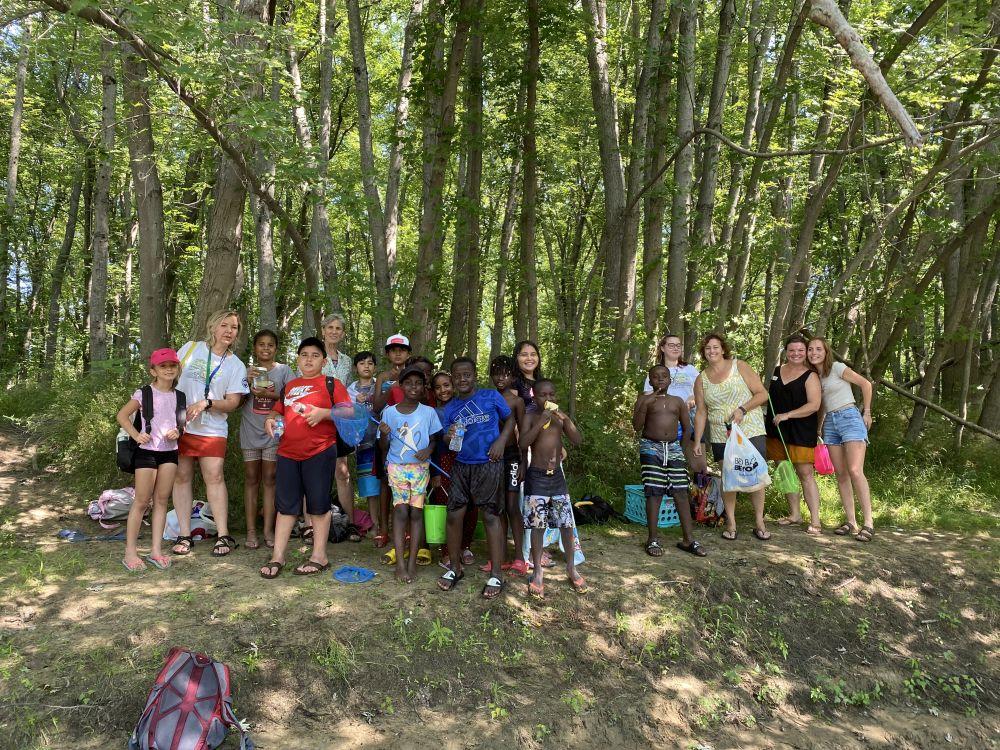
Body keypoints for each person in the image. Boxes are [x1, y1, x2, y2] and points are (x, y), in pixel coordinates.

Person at [259, 337, 350, 578]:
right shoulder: (290, 385)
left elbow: (349, 411)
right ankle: (278, 556)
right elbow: (277, 411)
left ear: (323, 361)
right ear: (298, 359)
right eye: (304, 354)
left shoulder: (332, 383)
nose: (309, 359)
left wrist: (324, 413)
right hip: (287, 452)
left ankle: (319, 556)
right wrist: (270, 420)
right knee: (286, 507)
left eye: (315, 355)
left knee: (319, 505)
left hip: (320, 451)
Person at [438, 357, 516, 599]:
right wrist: (449, 437)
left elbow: (510, 419)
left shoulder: (491, 397)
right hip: (462, 465)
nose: (463, 379)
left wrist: (502, 441)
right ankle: (455, 568)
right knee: (454, 515)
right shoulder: (449, 409)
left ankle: (496, 574)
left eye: (467, 374)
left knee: (491, 516)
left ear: (474, 375)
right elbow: (447, 441)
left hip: (489, 463)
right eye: (458, 375)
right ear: (452, 378)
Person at [172, 310, 249, 557]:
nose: (229, 331)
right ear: (212, 327)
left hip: (212, 428)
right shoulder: (190, 349)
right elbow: (167, 378)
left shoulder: (236, 364)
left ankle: (223, 534)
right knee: (181, 477)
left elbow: (233, 402)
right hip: (181, 425)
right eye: (224, 325)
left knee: (214, 477)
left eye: (234, 327)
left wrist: (206, 403)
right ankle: (184, 535)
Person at [693, 333, 770, 541]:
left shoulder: (740, 366)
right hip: (720, 433)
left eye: (715, 347)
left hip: (750, 429)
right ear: (704, 352)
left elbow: (762, 394)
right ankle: (731, 522)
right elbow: (701, 411)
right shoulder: (701, 379)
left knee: (755, 476)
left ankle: (759, 522)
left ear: (723, 349)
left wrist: (742, 410)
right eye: (708, 348)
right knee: (729, 478)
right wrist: (698, 439)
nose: (712, 351)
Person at [116, 348, 184, 571]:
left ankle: (156, 550)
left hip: (169, 452)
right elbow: (122, 415)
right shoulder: (144, 393)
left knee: (162, 501)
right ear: (153, 371)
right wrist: (136, 435)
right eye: (163, 366)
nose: (168, 369)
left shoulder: (180, 396)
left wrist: (178, 432)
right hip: (146, 451)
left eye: (172, 365)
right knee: (142, 501)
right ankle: (130, 552)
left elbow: (182, 424)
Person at [518, 379, 585, 598]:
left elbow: (577, 440)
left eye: (551, 395)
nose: (548, 399)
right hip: (536, 476)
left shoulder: (559, 418)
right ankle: (537, 570)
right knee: (537, 526)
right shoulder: (530, 416)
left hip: (557, 477)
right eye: (542, 395)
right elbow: (523, 443)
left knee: (566, 524)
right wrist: (540, 422)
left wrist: (566, 421)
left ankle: (571, 567)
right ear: (534, 396)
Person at [633, 365, 705, 558]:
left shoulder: (677, 401)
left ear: (670, 380)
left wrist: (680, 449)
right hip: (651, 447)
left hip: (673, 448)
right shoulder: (644, 399)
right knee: (654, 491)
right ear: (650, 381)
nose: (661, 379)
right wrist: (645, 403)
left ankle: (688, 539)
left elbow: (687, 427)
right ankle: (652, 538)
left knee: (681, 491)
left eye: (664, 376)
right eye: (656, 377)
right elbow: (636, 426)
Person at [807, 336, 875, 542]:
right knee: (842, 474)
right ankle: (851, 521)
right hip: (830, 424)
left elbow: (866, 384)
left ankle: (869, 523)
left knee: (855, 471)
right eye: (810, 349)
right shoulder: (813, 377)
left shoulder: (837, 367)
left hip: (850, 418)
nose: (814, 353)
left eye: (819, 349)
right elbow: (822, 405)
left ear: (826, 352)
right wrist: (819, 427)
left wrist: (867, 412)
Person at [379, 365, 442, 583]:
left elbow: (435, 439)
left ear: (424, 387)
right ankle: (400, 564)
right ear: (401, 386)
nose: (413, 387)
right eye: (408, 383)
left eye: (418, 383)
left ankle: (412, 562)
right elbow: (383, 447)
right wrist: (384, 435)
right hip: (396, 469)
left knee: (416, 513)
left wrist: (428, 451)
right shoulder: (389, 412)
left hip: (420, 470)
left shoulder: (429, 412)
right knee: (400, 513)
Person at [766, 333, 822, 535]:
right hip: (776, 429)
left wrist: (788, 415)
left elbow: (814, 405)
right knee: (784, 471)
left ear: (805, 352)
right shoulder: (776, 371)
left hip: (801, 430)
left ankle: (815, 520)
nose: (796, 354)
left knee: (805, 473)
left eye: (800, 350)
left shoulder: (811, 375)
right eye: (792, 350)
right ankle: (795, 514)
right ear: (786, 352)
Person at [241, 330, 292, 550]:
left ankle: (268, 530)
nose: (266, 348)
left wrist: (273, 396)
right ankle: (251, 531)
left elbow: (291, 399)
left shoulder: (284, 370)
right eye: (261, 344)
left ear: (276, 348)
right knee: (252, 478)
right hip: (250, 428)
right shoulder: (245, 370)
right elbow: (236, 400)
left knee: (270, 478)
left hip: (275, 429)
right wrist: (246, 382)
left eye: (270, 345)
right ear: (254, 348)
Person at [319, 313, 360, 544]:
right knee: (318, 471)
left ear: (343, 333)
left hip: (341, 421)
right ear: (323, 330)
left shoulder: (345, 360)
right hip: (319, 419)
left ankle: (350, 523)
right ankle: (318, 524)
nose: (334, 331)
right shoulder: (314, 355)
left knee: (342, 472)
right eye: (330, 327)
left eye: (338, 329)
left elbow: (347, 392)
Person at [430, 371, 476, 568]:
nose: (443, 390)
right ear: (433, 391)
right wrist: (435, 473)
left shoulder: (466, 407)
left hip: (467, 460)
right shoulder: (432, 413)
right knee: (447, 504)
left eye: (447, 385)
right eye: (438, 387)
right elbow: (432, 443)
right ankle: (448, 550)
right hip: (443, 461)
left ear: (454, 385)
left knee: (471, 503)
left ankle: (464, 545)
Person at [370, 333, 412, 547]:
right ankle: (384, 529)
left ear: (408, 353)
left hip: (409, 435)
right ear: (387, 353)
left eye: (402, 350)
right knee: (387, 482)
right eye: (393, 349)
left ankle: (405, 531)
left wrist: (403, 383)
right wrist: (393, 387)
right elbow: (377, 407)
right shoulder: (383, 376)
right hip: (385, 435)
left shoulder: (413, 375)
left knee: (409, 481)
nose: (398, 353)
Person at [487, 355, 527, 576]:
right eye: (497, 373)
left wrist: (523, 463)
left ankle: (520, 557)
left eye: (506, 373)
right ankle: (500, 556)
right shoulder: (487, 398)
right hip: (492, 458)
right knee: (497, 506)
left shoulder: (517, 401)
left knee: (512, 506)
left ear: (513, 376)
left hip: (512, 457)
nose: (501, 377)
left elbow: (522, 435)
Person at [347, 351, 379, 535]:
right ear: (355, 368)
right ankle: (374, 523)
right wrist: (355, 404)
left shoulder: (382, 386)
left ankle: (387, 522)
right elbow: (345, 413)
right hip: (363, 444)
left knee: (386, 484)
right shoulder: (350, 390)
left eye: (370, 363)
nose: (366, 366)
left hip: (384, 443)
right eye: (362, 363)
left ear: (375, 367)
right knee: (370, 485)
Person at [514, 340, 543, 413]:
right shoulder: (513, 382)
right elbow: (510, 413)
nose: (529, 358)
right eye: (524, 355)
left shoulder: (542, 382)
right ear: (516, 358)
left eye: (533, 354)